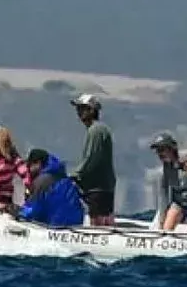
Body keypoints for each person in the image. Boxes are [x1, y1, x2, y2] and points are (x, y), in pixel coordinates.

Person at [68, 93, 116, 225]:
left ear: (91, 110)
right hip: (103, 186)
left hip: (97, 187)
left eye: (82, 108)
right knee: (106, 221)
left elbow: (92, 158)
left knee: (98, 224)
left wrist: (74, 175)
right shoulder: (99, 129)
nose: (79, 112)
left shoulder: (96, 130)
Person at [148, 132, 187, 232]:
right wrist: (161, 222)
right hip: (179, 204)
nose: (160, 154)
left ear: (171, 149)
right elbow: (163, 197)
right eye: (158, 151)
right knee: (167, 228)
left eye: (162, 150)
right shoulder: (164, 172)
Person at [18, 148, 86, 226]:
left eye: (29, 165)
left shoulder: (41, 181)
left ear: (38, 164)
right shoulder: (63, 176)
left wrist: (18, 212)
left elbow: (32, 210)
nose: (28, 169)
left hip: (55, 226)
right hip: (75, 225)